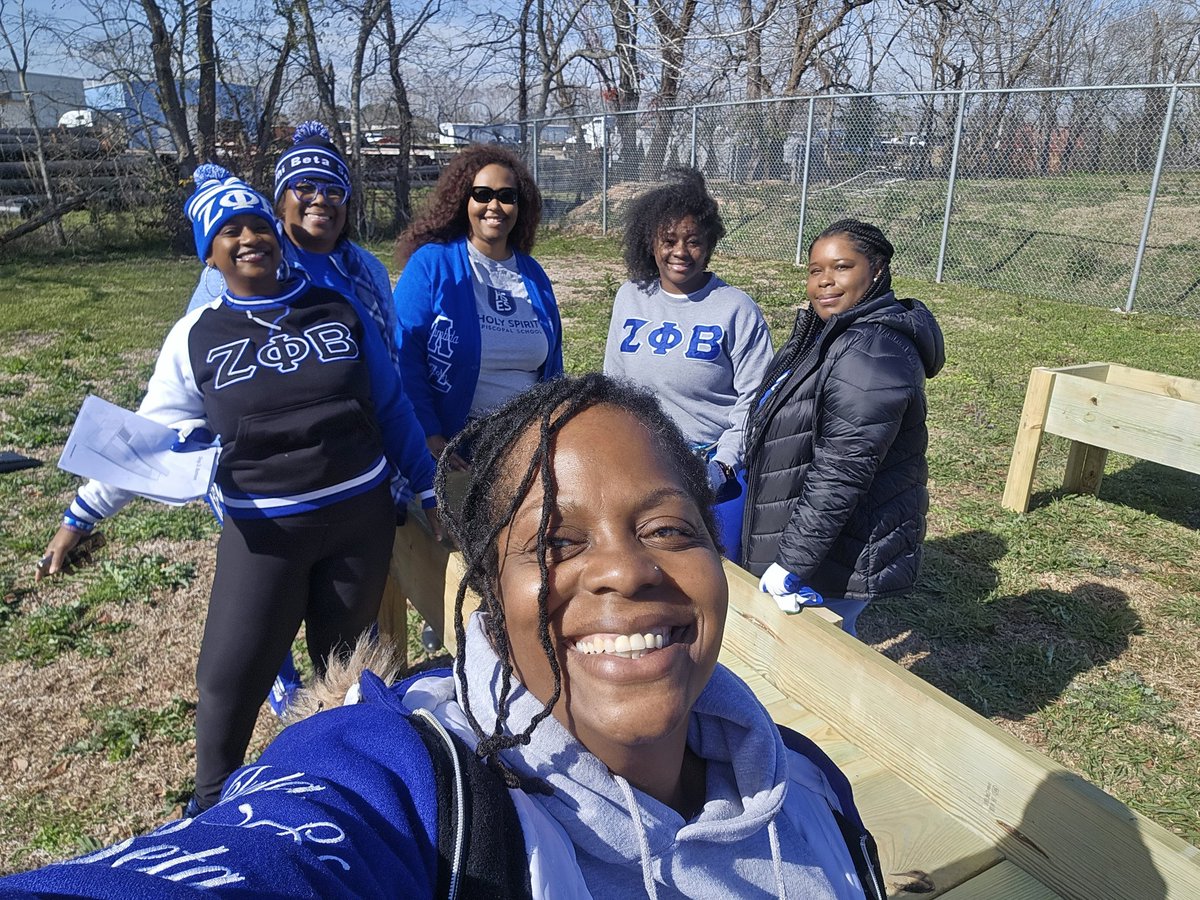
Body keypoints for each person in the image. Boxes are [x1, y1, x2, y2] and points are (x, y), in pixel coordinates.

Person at [4, 374, 886, 899]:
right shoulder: (413, 791)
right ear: (492, 603)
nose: (626, 571)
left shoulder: (810, 786)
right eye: (555, 542)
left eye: (668, 529)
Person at [36, 164, 441, 817]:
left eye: (257, 223)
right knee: (226, 683)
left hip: (357, 524)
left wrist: (426, 489)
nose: (249, 237)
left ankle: (347, 798)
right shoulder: (197, 335)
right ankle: (213, 812)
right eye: (229, 231)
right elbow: (151, 440)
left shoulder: (335, 309)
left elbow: (391, 408)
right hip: (265, 534)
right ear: (210, 253)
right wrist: (79, 517)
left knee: (346, 673)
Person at [742, 219, 945, 637]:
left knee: (820, 655)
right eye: (815, 271)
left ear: (877, 270)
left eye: (841, 267)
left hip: (833, 554)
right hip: (820, 542)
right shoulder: (837, 333)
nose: (824, 282)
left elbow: (842, 469)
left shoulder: (871, 351)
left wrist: (792, 562)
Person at [603, 168, 773, 561]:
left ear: (710, 245)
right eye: (669, 240)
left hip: (712, 469)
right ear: (651, 242)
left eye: (694, 241)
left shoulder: (736, 309)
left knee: (717, 568)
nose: (681, 251)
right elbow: (612, 381)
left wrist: (725, 463)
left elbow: (757, 400)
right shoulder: (630, 296)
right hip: (642, 460)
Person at [393, 144, 563, 470]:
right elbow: (405, 354)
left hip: (527, 442)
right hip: (458, 445)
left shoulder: (533, 274)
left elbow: (553, 367)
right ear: (463, 201)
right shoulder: (432, 265)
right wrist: (429, 433)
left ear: (519, 205)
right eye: (482, 194)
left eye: (506, 196)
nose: (494, 205)